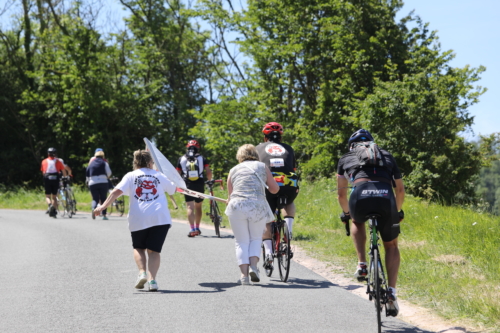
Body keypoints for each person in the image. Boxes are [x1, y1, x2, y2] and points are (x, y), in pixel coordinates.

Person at [336, 129, 405, 317]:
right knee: (391, 246)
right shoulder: (386, 155)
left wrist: (346, 213)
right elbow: (400, 190)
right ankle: (391, 292)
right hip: (385, 196)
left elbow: (341, 193)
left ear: (352, 145)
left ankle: (362, 264)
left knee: (356, 220)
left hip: (360, 195)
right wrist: (396, 212)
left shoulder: (346, 158)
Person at [93, 150, 176, 291]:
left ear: (135, 163)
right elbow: (173, 189)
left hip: (138, 217)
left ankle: (142, 272)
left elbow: (116, 192)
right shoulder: (159, 175)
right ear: (150, 162)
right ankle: (153, 281)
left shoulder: (130, 176)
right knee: (154, 251)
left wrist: (103, 206)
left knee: (139, 247)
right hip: (159, 218)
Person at [226, 144, 279, 285]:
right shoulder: (262, 166)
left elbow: (230, 195)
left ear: (240, 155)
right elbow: (274, 189)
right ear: (255, 154)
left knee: (241, 241)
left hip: (237, 205)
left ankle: (244, 276)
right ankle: (254, 268)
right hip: (257, 205)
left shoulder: (233, 170)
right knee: (255, 238)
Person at [256, 122, 299, 268]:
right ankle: (289, 229)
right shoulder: (289, 148)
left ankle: (268, 253)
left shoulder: (258, 148)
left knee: (267, 216)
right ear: (280, 136)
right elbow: (293, 168)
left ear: (265, 136)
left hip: (268, 184)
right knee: (288, 201)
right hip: (288, 184)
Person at [176, 140, 212, 237]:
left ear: (187, 147)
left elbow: (177, 173)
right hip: (199, 183)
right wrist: (209, 181)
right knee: (198, 207)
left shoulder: (181, 158)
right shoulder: (202, 158)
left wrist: (178, 185)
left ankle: (192, 229)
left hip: (187, 184)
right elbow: (208, 171)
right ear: (198, 148)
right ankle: (197, 227)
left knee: (190, 207)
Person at [41, 148, 67, 217]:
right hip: (56, 178)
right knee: (54, 197)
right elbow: (63, 170)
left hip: (47, 178)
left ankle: (50, 205)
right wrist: (65, 178)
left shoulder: (44, 161)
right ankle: (54, 211)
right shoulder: (58, 161)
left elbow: (43, 172)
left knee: (47, 196)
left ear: (48, 153)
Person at [86, 150, 112, 220]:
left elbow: (87, 174)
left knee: (95, 198)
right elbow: (109, 173)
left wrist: (88, 182)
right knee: (103, 198)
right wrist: (106, 177)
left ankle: (93, 209)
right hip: (103, 182)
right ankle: (104, 215)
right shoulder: (104, 163)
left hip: (92, 182)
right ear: (103, 156)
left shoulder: (91, 163)